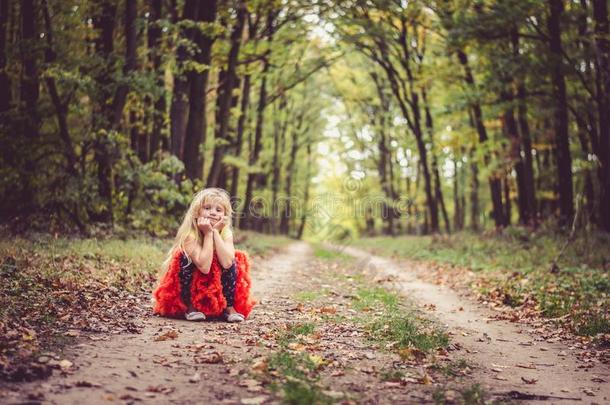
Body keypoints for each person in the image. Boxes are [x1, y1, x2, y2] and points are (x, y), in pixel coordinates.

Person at [152, 188, 255, 322]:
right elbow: (204, 266)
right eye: (207, 208)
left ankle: (228, 307)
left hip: (216, 280)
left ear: (224, 215)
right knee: (184, 258)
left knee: (233, 259)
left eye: (218, 210)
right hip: (196, 277)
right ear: (197, 212)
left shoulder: (225, 232)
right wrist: (208, 234)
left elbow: (227, 263)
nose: (213, 212)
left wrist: (216, 232)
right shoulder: (190, 234)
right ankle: (189, 306)